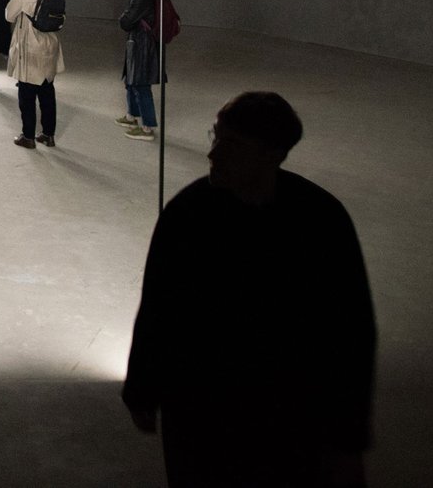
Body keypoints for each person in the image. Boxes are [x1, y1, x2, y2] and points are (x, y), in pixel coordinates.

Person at [123, 92, 376, 487]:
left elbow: (350, 334)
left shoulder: (320, 222)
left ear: (273, 154)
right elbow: (159, 307)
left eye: (232, 144)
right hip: (201, 414)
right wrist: (141, 389)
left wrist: (347, 438)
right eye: (216, 137)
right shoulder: (188, 214)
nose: (213, 154)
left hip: (286, 416)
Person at [5, 0, 65, 149]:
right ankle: (48, 135)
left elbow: (9, 16)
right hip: (50, 43)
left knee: (27, 94)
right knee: (47, 91)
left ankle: (28, 136)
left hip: (28, 46)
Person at [116, 0, 165, 141]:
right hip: (138, 43)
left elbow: (126, 22)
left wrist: (124, 17)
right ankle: (132, 116)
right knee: (130, 81)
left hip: (142, 46)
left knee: (141, 85)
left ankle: (147, 128)